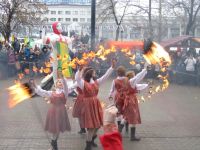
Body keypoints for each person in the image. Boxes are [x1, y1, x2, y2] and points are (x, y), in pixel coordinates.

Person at [75, 60, 116, 150]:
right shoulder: (83, 83)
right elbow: (77, 79)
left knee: (97, 125)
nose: (95, 73)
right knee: (91, 127)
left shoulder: (96, 82)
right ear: (90, 74)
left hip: (95, 104)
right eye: (94, 73)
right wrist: (79, 70)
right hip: (88, 105)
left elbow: (106, 76)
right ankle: (88, 146)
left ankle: (92, 140)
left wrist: (112, 68)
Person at [31, 71, 73, 150]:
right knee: (55, 129)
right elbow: (42, 92)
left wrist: (62, 77)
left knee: (57, 129)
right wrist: (35, 85)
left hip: (61, 111)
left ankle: (54, 144)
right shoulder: (52, 92)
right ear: (55, 85)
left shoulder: (65, 92)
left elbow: (66, 86)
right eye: (58, 82)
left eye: (61, 82)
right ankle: (54, 145)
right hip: (53, 111)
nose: (60, 83)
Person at [109, 63, 148, 141]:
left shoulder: (116, 80)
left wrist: (110, 97)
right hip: (130, 99)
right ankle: (131, 136)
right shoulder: (129, 81)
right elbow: (138, 77)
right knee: (132, 116)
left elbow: (111, 90)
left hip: (121, 98)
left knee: (123, 114)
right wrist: (144, 69)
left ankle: (120, 129)